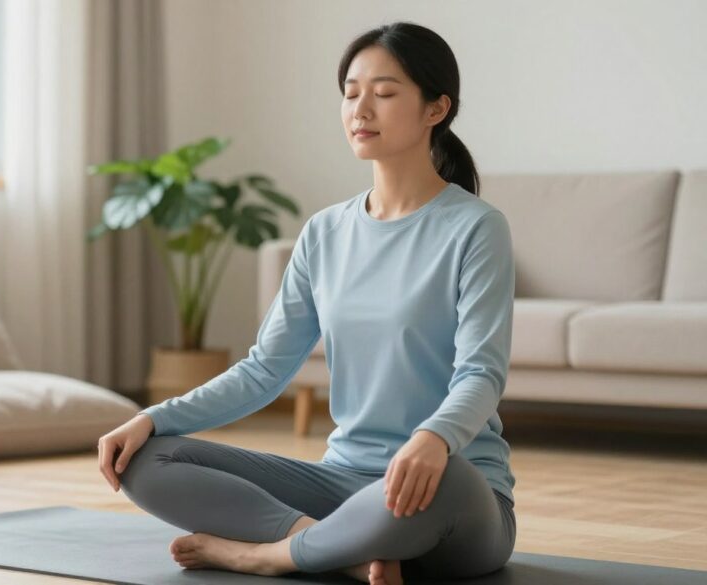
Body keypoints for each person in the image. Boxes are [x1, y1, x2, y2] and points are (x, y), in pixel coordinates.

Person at [97, 21, 516, 585]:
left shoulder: (476, 228)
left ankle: (265, 555)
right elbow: (263, 371)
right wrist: (152, 418)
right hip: (343, 487)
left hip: (452, 495)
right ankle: (327, 546)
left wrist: (433, 438)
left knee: (451, 478)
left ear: (436, 109)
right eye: (350, 93)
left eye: (384, 93)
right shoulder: (324, 232)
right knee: (146, 458)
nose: (360, 110)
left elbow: (481, 373)